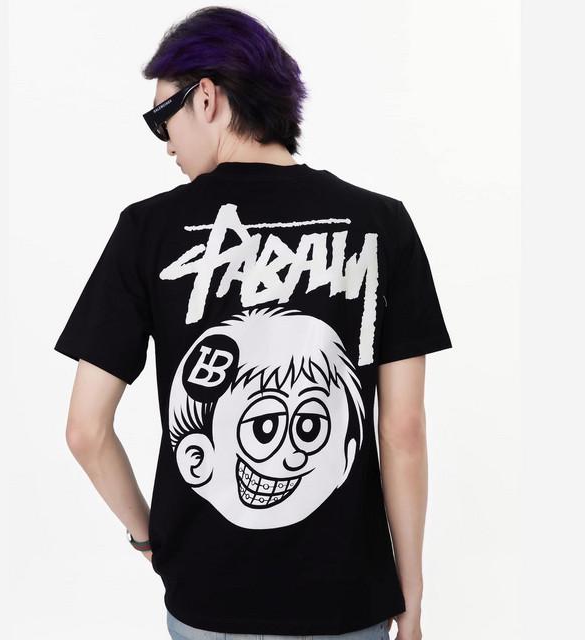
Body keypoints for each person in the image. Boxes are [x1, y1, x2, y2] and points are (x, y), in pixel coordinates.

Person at [54, 7, 452, 640]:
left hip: (207, 595)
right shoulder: (381, 224)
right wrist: (412, 595)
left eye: (162, 119)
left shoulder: (147, 230)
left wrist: (148, 538)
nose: (166, 144)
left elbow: (85, 430)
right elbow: (403, 431)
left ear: (205, 98)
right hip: (347, 599)